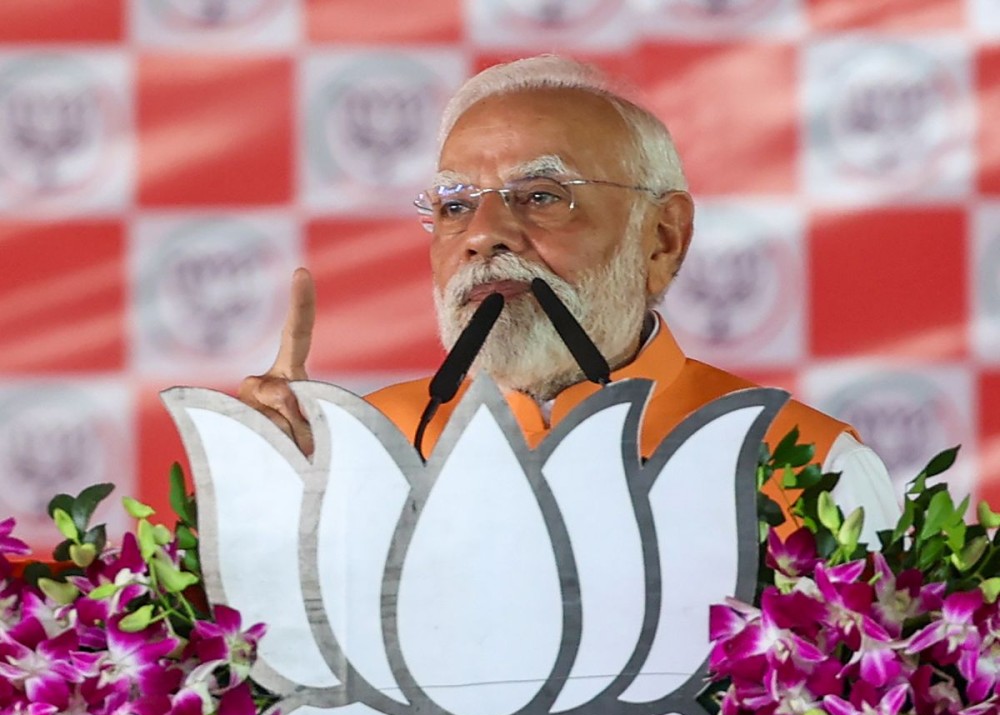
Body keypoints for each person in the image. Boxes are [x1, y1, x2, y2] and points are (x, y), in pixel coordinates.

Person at [238, 55, 899, 536]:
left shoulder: (805, 464)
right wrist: (271, 495)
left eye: (541, 196)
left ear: (662, 239)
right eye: (455, 205)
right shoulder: (363, 448)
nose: (484, 235)